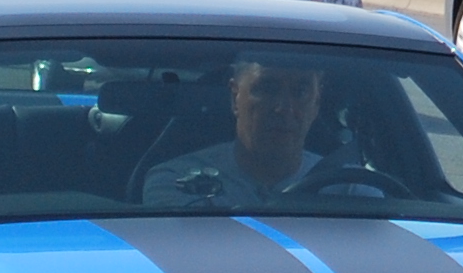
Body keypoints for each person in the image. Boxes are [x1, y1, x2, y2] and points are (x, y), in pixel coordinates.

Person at [144, 55, 360, 211]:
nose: (284, 108)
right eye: (267, 88)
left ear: (316, 104)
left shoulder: (350, 188)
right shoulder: (178, 183)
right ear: (235, 97)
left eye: (300, 92)